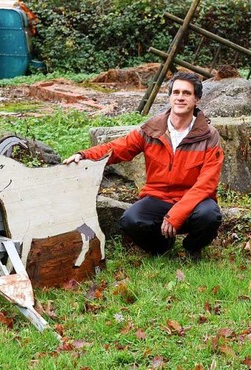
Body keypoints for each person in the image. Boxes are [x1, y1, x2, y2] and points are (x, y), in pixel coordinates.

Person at [64, 72, 224, 259]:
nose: (180, 97)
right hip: (159, 197)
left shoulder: (209, 135)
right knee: (131, 220)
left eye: (187, 93)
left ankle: (192, 248)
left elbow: (207, 183)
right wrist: (84, 155)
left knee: (210, 215)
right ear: (170, 97)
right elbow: (117, 148)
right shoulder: (151, 130)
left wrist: (178, 213)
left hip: (193, 200)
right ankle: (162, 247)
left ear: (196, 99)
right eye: (176, 92)